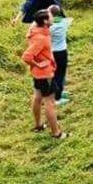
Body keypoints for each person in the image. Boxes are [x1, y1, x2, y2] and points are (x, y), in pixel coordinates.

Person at [22, 9, 65, 139]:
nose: (53, 18)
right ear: (45, 21)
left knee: (37, 97)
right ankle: (56, 133)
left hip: (37, 74)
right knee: (49, 102)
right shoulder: (41, 39)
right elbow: (27, 56)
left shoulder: (35, 30)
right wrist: (38, 64)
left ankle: (38, 125)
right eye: (51, 17)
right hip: (45, 74)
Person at [47, 5, 72, 106]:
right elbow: (70, 19)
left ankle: (58, 94)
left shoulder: (49, 26)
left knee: (54, 74)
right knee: (61, 74)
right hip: (62, 52)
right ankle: (57, 96)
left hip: (51, 52)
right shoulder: (65, 22)